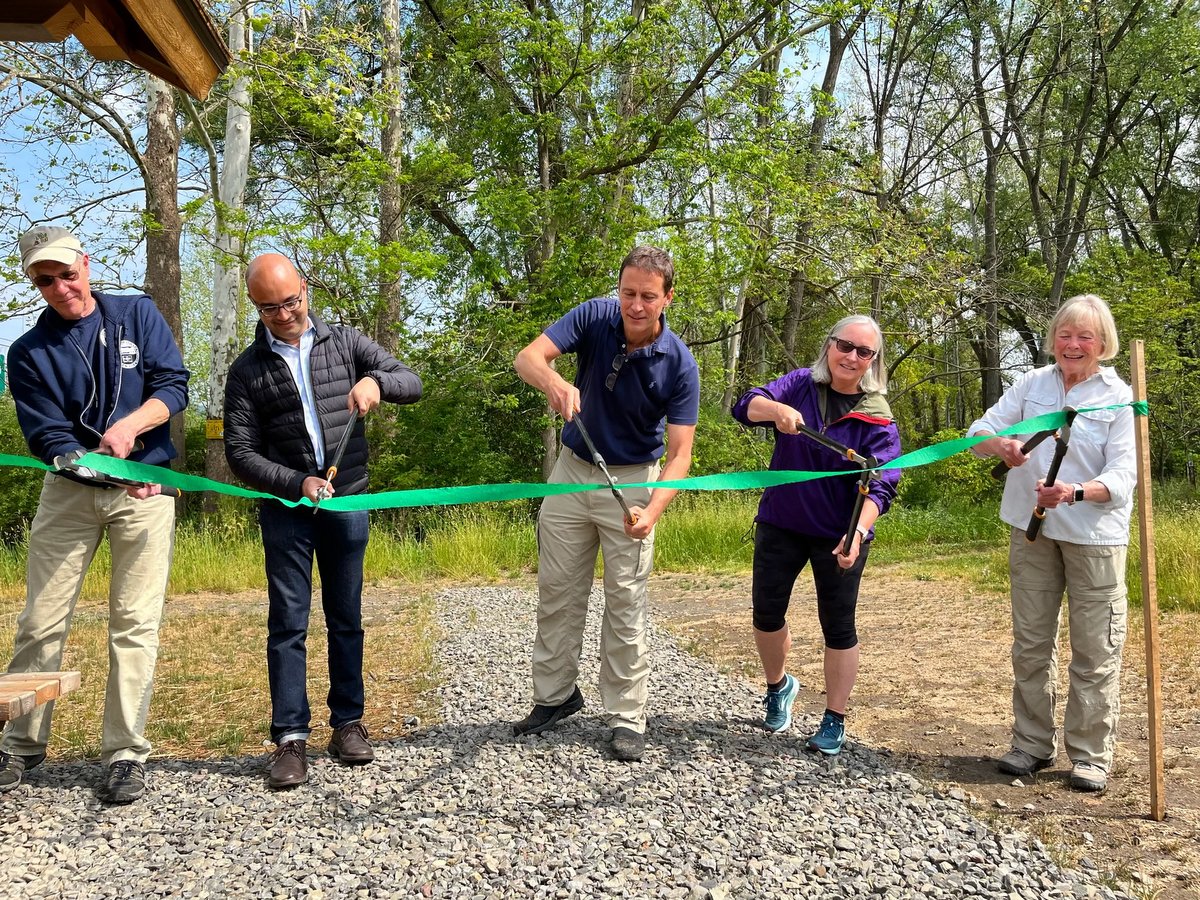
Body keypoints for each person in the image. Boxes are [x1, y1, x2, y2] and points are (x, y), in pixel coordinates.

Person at [0, 225, 188, 803]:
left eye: (67, 272)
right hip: (70, 493)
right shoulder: (26, 352)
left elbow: (173, 386)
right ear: (36, 284)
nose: (61, 287)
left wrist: (132, 430)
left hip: (146, 494)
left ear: (87, 262)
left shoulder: (138, 314)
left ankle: (125, 752)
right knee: (41, 619)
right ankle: (20, 746)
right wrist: (84, 462)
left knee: (134, 623)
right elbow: (46, 431)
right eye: (45, 279)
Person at [224, 253, 422, 790]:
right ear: (256, 308)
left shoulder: (346, 342)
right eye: (271, 308)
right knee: (288, 623)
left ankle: (348, 723)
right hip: (287, 510)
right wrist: (296, 483)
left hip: (348, 500)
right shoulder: (247, 370)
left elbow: (413, 380)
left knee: (346, 617)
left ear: (306, 290)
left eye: (292, 301)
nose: (285, 314)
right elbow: (240, 454)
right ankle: (290, 739)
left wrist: (378, 382)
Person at [512, 245, 699, 761]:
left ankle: (627, 716)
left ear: (667, 298)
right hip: (572, 473)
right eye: (628, 293)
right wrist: (553, 380)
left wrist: (652, 512)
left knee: (626, 602)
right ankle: (555, 697)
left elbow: (681, 454)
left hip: (636, 482)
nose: (635, 306)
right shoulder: (595, 315)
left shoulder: (680, 364)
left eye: (647, 296)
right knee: (557, 591)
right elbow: (527, 357)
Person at [968, 293, 1135, 793]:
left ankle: (1089, 756)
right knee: (1032, 643)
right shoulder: (1033, 384)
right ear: (1053, 339)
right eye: (1065, 334)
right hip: (1031, 530)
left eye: (1085, 336)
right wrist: (1000, 444)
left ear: (1103, 344)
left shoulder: (1119, 395)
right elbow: (978, 433)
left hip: (1095, 536)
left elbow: (1126, 475)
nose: (1073, 344)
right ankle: (1031, 744)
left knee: (1095, 649)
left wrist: (1076, 492)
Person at [731, 315, 900, 755]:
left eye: (865, 352)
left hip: (840, 534)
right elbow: (744, 406)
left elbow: (882, 483)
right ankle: (778, 686)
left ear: (873, 362)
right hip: (780, 522)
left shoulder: (878, 416)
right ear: (829, 345)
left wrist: (858, 533)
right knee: (766, 614)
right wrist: (776, 410)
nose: (852, 357)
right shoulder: (799, 383)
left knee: (838, 626)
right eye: (845, 346)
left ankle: (834, 718)